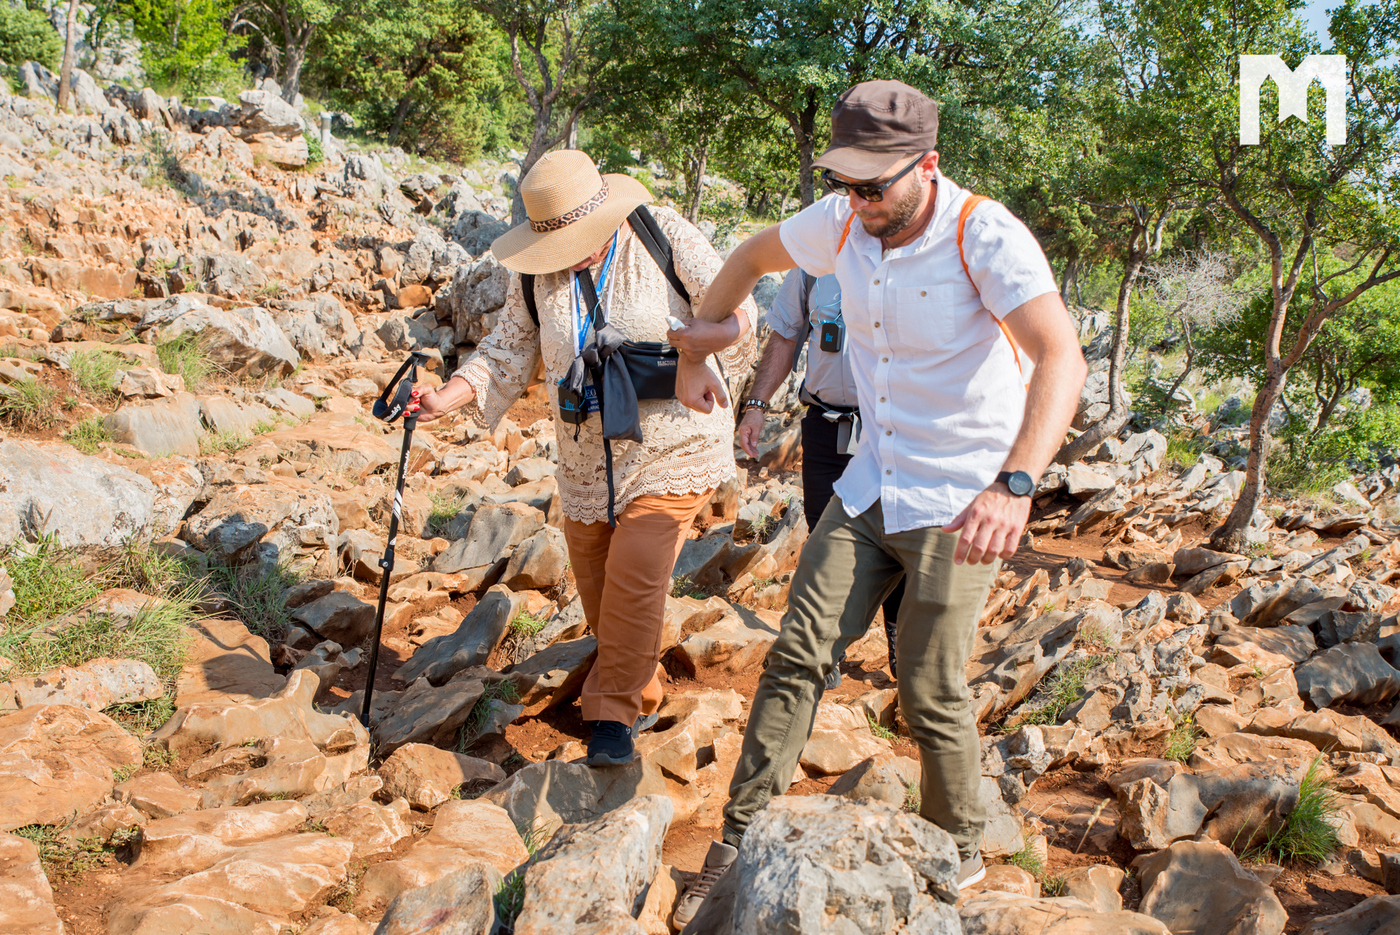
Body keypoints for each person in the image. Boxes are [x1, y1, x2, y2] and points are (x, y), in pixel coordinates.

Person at [670, 80, 1087, 930]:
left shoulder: (982, 234)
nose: (856, 201)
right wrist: (695, 349)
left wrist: (1014, 484)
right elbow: (747, 259)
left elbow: (1062, 358)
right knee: (796, 655)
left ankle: (956, 856)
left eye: (872, 185)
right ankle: (737, 842)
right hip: (872, 482)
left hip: (961, 495)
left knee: (927, 688)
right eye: (844, 181)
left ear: (926, 166)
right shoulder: (838, 221)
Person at [411, 150, 757, 768]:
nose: (571, 253)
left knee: (635, 575)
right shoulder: (534, 276)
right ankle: (642, 688)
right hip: (585, 461)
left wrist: (707, 342)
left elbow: (741, 309)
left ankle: (610, 717)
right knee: (599, 592)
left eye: (580, 238)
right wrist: (444, 398)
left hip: (674, 440)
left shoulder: (662, 233)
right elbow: (507, 349)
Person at [737, 270, 904, 683]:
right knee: (824, 536)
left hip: (891, 428)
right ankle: (825, 647)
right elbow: (784, 337)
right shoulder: (810, 269)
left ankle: (901, 638)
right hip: (826, 426)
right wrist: (756, 405)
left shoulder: (906, 259)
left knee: (898, 535)